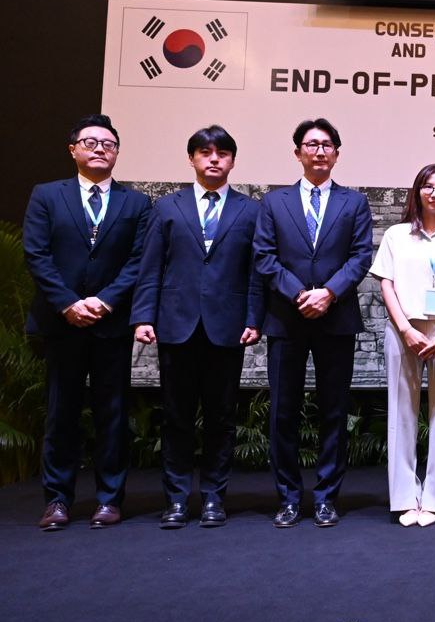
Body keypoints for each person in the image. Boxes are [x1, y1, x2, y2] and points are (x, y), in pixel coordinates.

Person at [132, 125, 263, 529]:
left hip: (227, 327)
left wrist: (253, 318)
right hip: (176, 324)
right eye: (205, 152)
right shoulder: (166, 207)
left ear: (232, 161)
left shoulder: (250, 210)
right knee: (176, 416)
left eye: (222, 153)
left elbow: (256, 273)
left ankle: (212, 498)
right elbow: (151, 266)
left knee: (222, 417)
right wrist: (143, 316)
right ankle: (175, 500)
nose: (214, 159)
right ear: (191, 158)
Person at [25, 114, 151, 531]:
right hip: (62, 323)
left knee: (111, 414)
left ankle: (109, 499)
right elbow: (37, 254)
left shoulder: (136, 203)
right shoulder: (47, 195)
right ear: (73, 149)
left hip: (110, 324)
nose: (100, 149)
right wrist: (68, 303)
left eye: (108, 144)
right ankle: (57, 500)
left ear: (117, 152)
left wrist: (105, 300)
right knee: (61, 413)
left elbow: (139, 260)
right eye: (91, 142)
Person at [253, 118, 373, 528]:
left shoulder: (354, 203)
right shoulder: (274, 202)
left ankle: (325, 498)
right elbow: (264, 256)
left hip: (335, 318)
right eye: (311, 144)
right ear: (297, 152)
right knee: (282, 412)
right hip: (286, 318)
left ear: (337, 153)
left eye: (326, 145)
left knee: (334, 412)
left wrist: (329, 293)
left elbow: (360, 256)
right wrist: (300, 294)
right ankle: (288, 498)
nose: (319, 151)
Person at [371, 164, 435, 527]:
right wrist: (405, 329)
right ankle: (404, 499)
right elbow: (385, 283)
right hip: (405, 329)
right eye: (428, 186)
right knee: (402, 412)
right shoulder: (397, 235)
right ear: (417, 192)